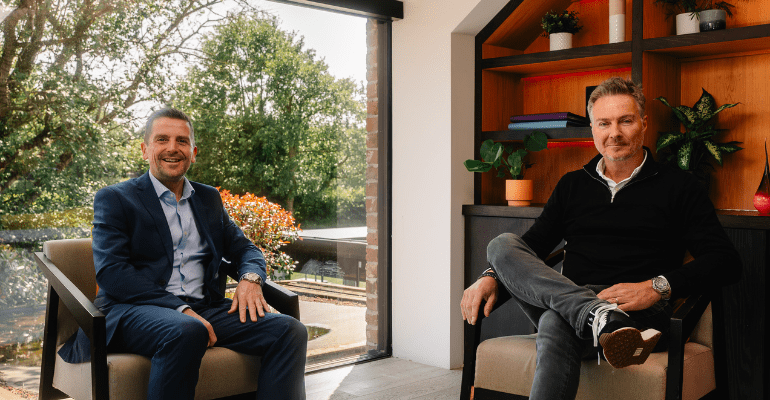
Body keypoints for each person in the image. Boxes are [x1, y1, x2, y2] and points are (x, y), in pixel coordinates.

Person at [460, 77, 742, 400]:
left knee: (554, 320)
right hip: (574, 300)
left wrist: (655, 287)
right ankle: (596, 316)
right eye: (604, 123)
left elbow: (726, 261)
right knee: (500, 245)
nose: (614, 133)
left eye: (625, 121)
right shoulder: (572, 185)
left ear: (644, 123)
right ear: (593, 129)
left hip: (639, 318)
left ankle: (599, 318)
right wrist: (491, 276)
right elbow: (531, 246)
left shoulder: (680, 187)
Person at [59, 108, 307, 400]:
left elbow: (245, 248)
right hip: (130, 311)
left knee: (289, 330)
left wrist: (251, 278)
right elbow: (113, 273)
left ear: (193, 152)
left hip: (205, 308)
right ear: (145, 150)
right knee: (186, 329)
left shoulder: (208, 198)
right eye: (162, 139)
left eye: (182, 141)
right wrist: (180, 309)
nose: (172, 148)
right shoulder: (115, 198)